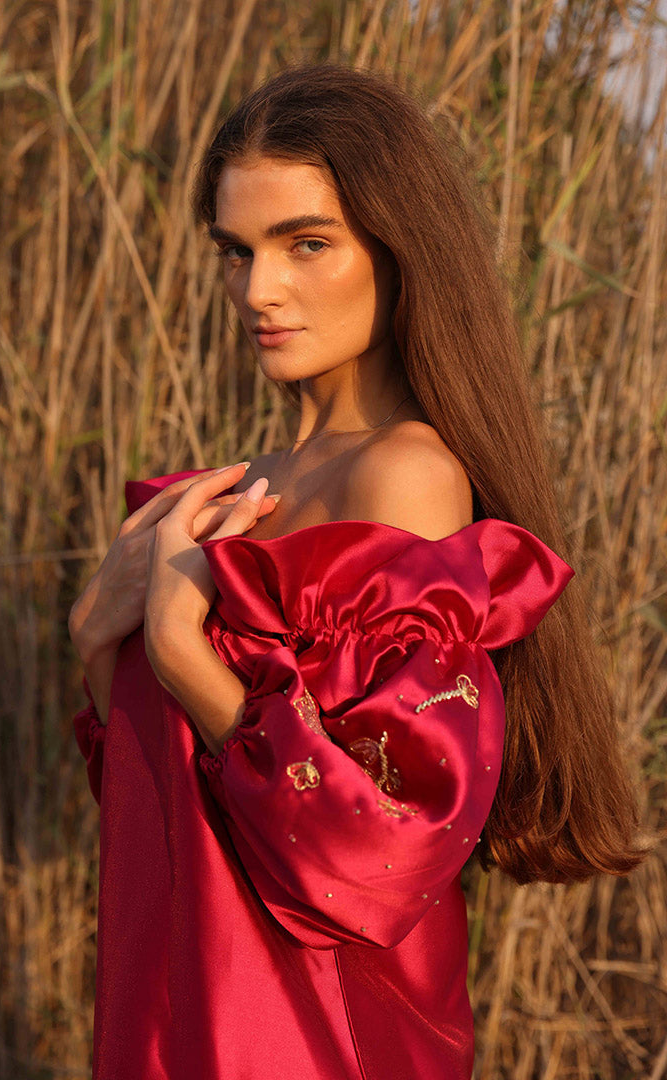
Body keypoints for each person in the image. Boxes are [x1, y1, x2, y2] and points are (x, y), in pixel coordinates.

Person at [69, 65, 643, 1080]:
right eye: (237, 250)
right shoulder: (226, 495)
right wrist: (91, 639)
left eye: (306, 243)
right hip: (178, 1018)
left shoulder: (404, 476)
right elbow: (158, 813)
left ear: (397, 247)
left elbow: (381, 855)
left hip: (319, 1038)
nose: (258, 290)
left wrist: (178, 650)